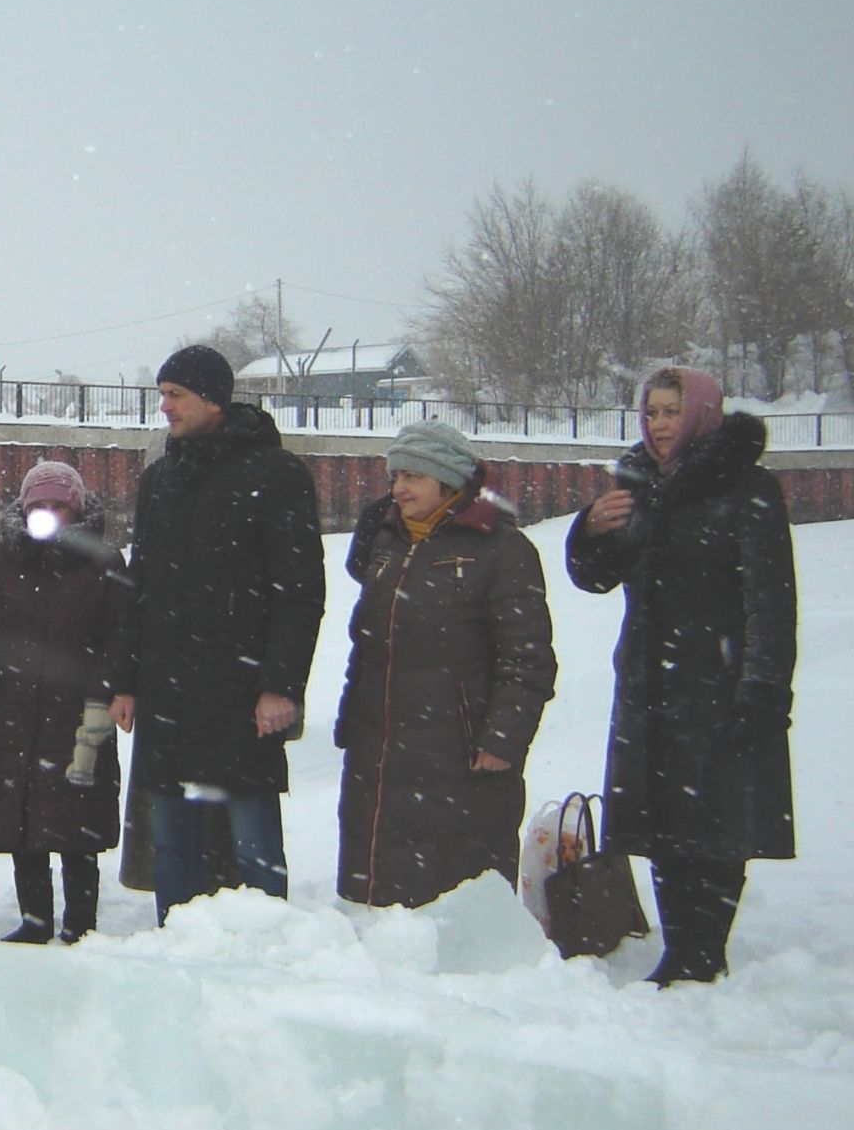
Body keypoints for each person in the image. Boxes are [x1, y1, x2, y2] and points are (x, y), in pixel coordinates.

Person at [567, 366, 796, 985]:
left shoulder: (745, 488)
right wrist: (590, 530)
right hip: (650, 682)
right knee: (664, 818)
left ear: (700, 414)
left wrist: (764, 688)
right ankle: (679, 948)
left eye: (671, 411)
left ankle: (705, 949)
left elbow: (770, 600)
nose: (660, 425)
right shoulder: (637, 485)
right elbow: (594, 577)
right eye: (651, 413)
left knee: (718, 822)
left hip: (719, 682)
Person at [107, 346, 325, 922]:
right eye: (163, 394)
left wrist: (281, 685)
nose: (165, 407)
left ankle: (270, 946)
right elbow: (140, 585)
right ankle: (177, 938)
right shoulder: (161, 478)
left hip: (241, 689)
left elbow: (300, 592)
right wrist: (124, 680)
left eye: (176, 394)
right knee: (173, 840)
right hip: (169, 689)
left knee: (252, 838)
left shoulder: (275, 474)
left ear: (212, 399)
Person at [334, 423, 556, 908]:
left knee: (453, 884)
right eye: (395, 475)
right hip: (379, 742)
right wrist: (353, 721)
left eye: (413, 475)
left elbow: (527, 658)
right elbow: (367, 644)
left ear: (448, 480)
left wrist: (503, 738)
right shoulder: (388, 542)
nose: (399, 489)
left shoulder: (500, 549)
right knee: (376, 880)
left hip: (459, 746)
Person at [0, 460, 124, 944]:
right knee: (21, 820)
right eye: (40, 506)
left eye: (59, 507)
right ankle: (34, 920)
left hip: (78, 712)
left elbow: (120, 635)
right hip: (13, 711)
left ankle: (80, 923)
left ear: (75, 510)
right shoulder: (0, 563)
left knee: (78, 825)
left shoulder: (105, 562)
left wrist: (107, 693)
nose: (49, 515)